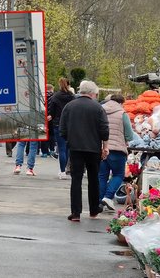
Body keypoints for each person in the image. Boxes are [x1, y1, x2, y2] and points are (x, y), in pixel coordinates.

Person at [60, 80, 109, 222]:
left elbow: (62, 129)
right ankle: (94, 210)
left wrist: (70, 139)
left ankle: (75, 212)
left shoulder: (69, 106)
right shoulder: (98, 108)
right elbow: (104, 129)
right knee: (94, 179)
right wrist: (105, 147)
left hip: (75, 148)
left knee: (76, 179)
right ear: (93, 93)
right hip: (93, 149)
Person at [98, 94, 134, 212]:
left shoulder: (99, 110)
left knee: (102, 176)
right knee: (118, 174)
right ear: (121, 103)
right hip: (117, 149)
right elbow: (129, 135)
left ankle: (100, 201)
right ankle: (108, 197)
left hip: (101, 148)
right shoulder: (122, 113)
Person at [48, 77, 75, 179]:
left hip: (58, 124)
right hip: (70, 124)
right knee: (67, 148)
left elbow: (52, 111)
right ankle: (66, 169)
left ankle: (62, 171)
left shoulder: (56, 96)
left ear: (59, 85)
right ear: (69, 84)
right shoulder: (72, 96)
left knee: (62, 148)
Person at [40, 84, 57, 158]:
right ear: (50, 89)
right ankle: (52, 149)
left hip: (43, 117)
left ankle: (44, 152)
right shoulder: (54, 97)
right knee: (52, 134)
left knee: (44, 134)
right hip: (51, 117)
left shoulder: (42, 97)